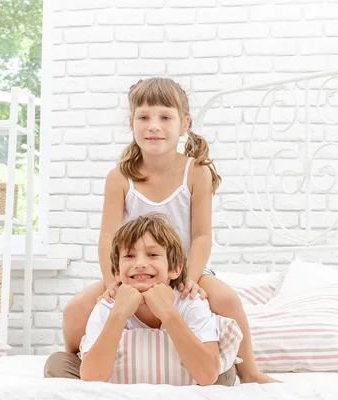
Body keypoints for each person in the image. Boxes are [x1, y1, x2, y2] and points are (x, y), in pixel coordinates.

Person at [61, 77, 277, 384]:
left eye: (165, 117)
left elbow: (201, 236)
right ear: (131, 122)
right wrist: (113, 282)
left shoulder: (196, 172)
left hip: (184, 268)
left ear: (184, 123)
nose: (153, 126)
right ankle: (78, 358)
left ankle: (250, 371)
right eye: (144, 117)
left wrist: (190, 279)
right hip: (134, 269)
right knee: (75, 309)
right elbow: (108, 237)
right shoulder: (120, 177)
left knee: (227, 300)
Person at [44, 214, 237, 386]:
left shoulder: (191, 302)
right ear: (117, 272)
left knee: (223, 373)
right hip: (108, 366)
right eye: (129, 256)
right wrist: (119, 314)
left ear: (175, 269)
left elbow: (207, 375)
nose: (140, 264)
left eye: (153, 255)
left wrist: (169, 314)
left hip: (197, 371)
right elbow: (92, 378)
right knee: (58, 364)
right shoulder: (107, 304)